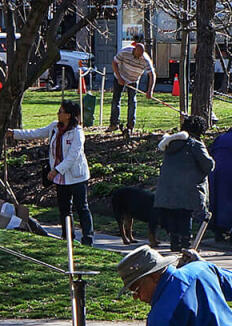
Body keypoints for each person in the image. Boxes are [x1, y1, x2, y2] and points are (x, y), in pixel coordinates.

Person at [9, 99, 93, 246]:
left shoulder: (78, 133)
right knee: (64, 208)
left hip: (77, 176)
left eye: (61, 111)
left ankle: (88, 239)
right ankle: (67, 237)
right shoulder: (55, 127)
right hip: (61, 178)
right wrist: (14, 133)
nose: (58, 113)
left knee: (82, 207)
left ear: (68, 115)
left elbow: (73, 156)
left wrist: (56, 170)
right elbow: (36, 133)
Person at [154, 116, 214, 252]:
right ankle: (186, 245)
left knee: (174, 215)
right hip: (187, 188)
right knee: (185, 215)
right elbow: (208, 165)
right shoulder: (195, 144)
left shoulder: (170, 144)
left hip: (167, 188)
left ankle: (174, 243)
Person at [109, 38, 157, 133]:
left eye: (141, 55)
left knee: (132, 101)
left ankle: (130, 126)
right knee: (116, 100)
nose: (139, 57)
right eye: (138, 55)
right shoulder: (125, 52)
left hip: (133, 80)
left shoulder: (145, 59)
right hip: (120, 76)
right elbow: (114, 63)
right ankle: (113, 124)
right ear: (134, 49)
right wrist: (119, 78)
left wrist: (150, 90)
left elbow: (152, 75)